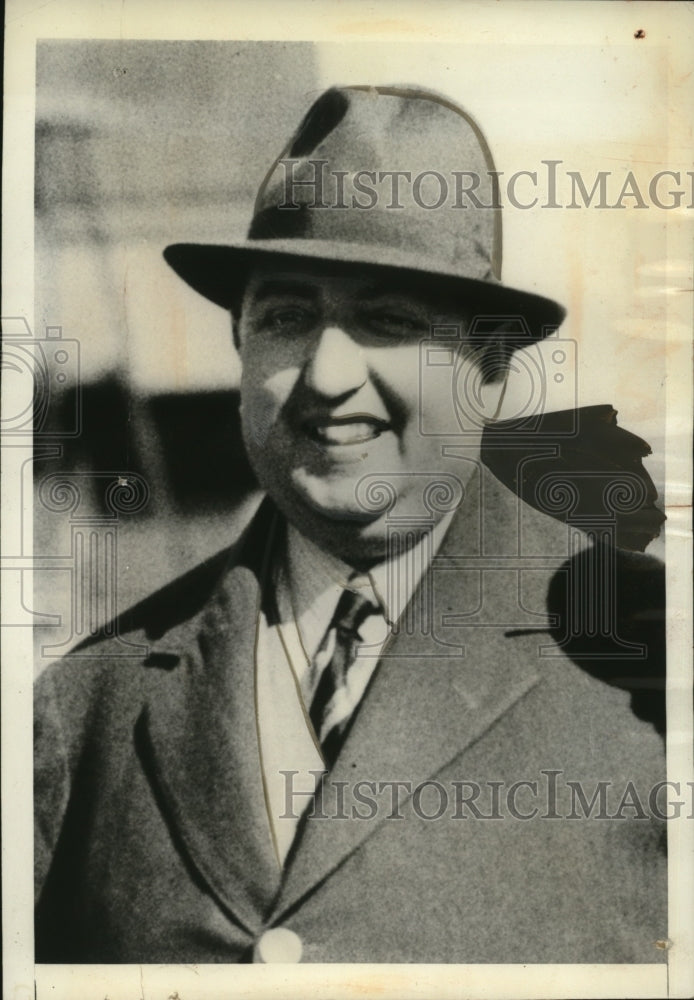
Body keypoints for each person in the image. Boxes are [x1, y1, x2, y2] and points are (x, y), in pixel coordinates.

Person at [34, 85, 666, 964]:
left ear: (487, 366)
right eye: (287, 318)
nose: (328, 374)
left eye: (387, 320)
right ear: (239, 343)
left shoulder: (651, 663)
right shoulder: (84, 707)